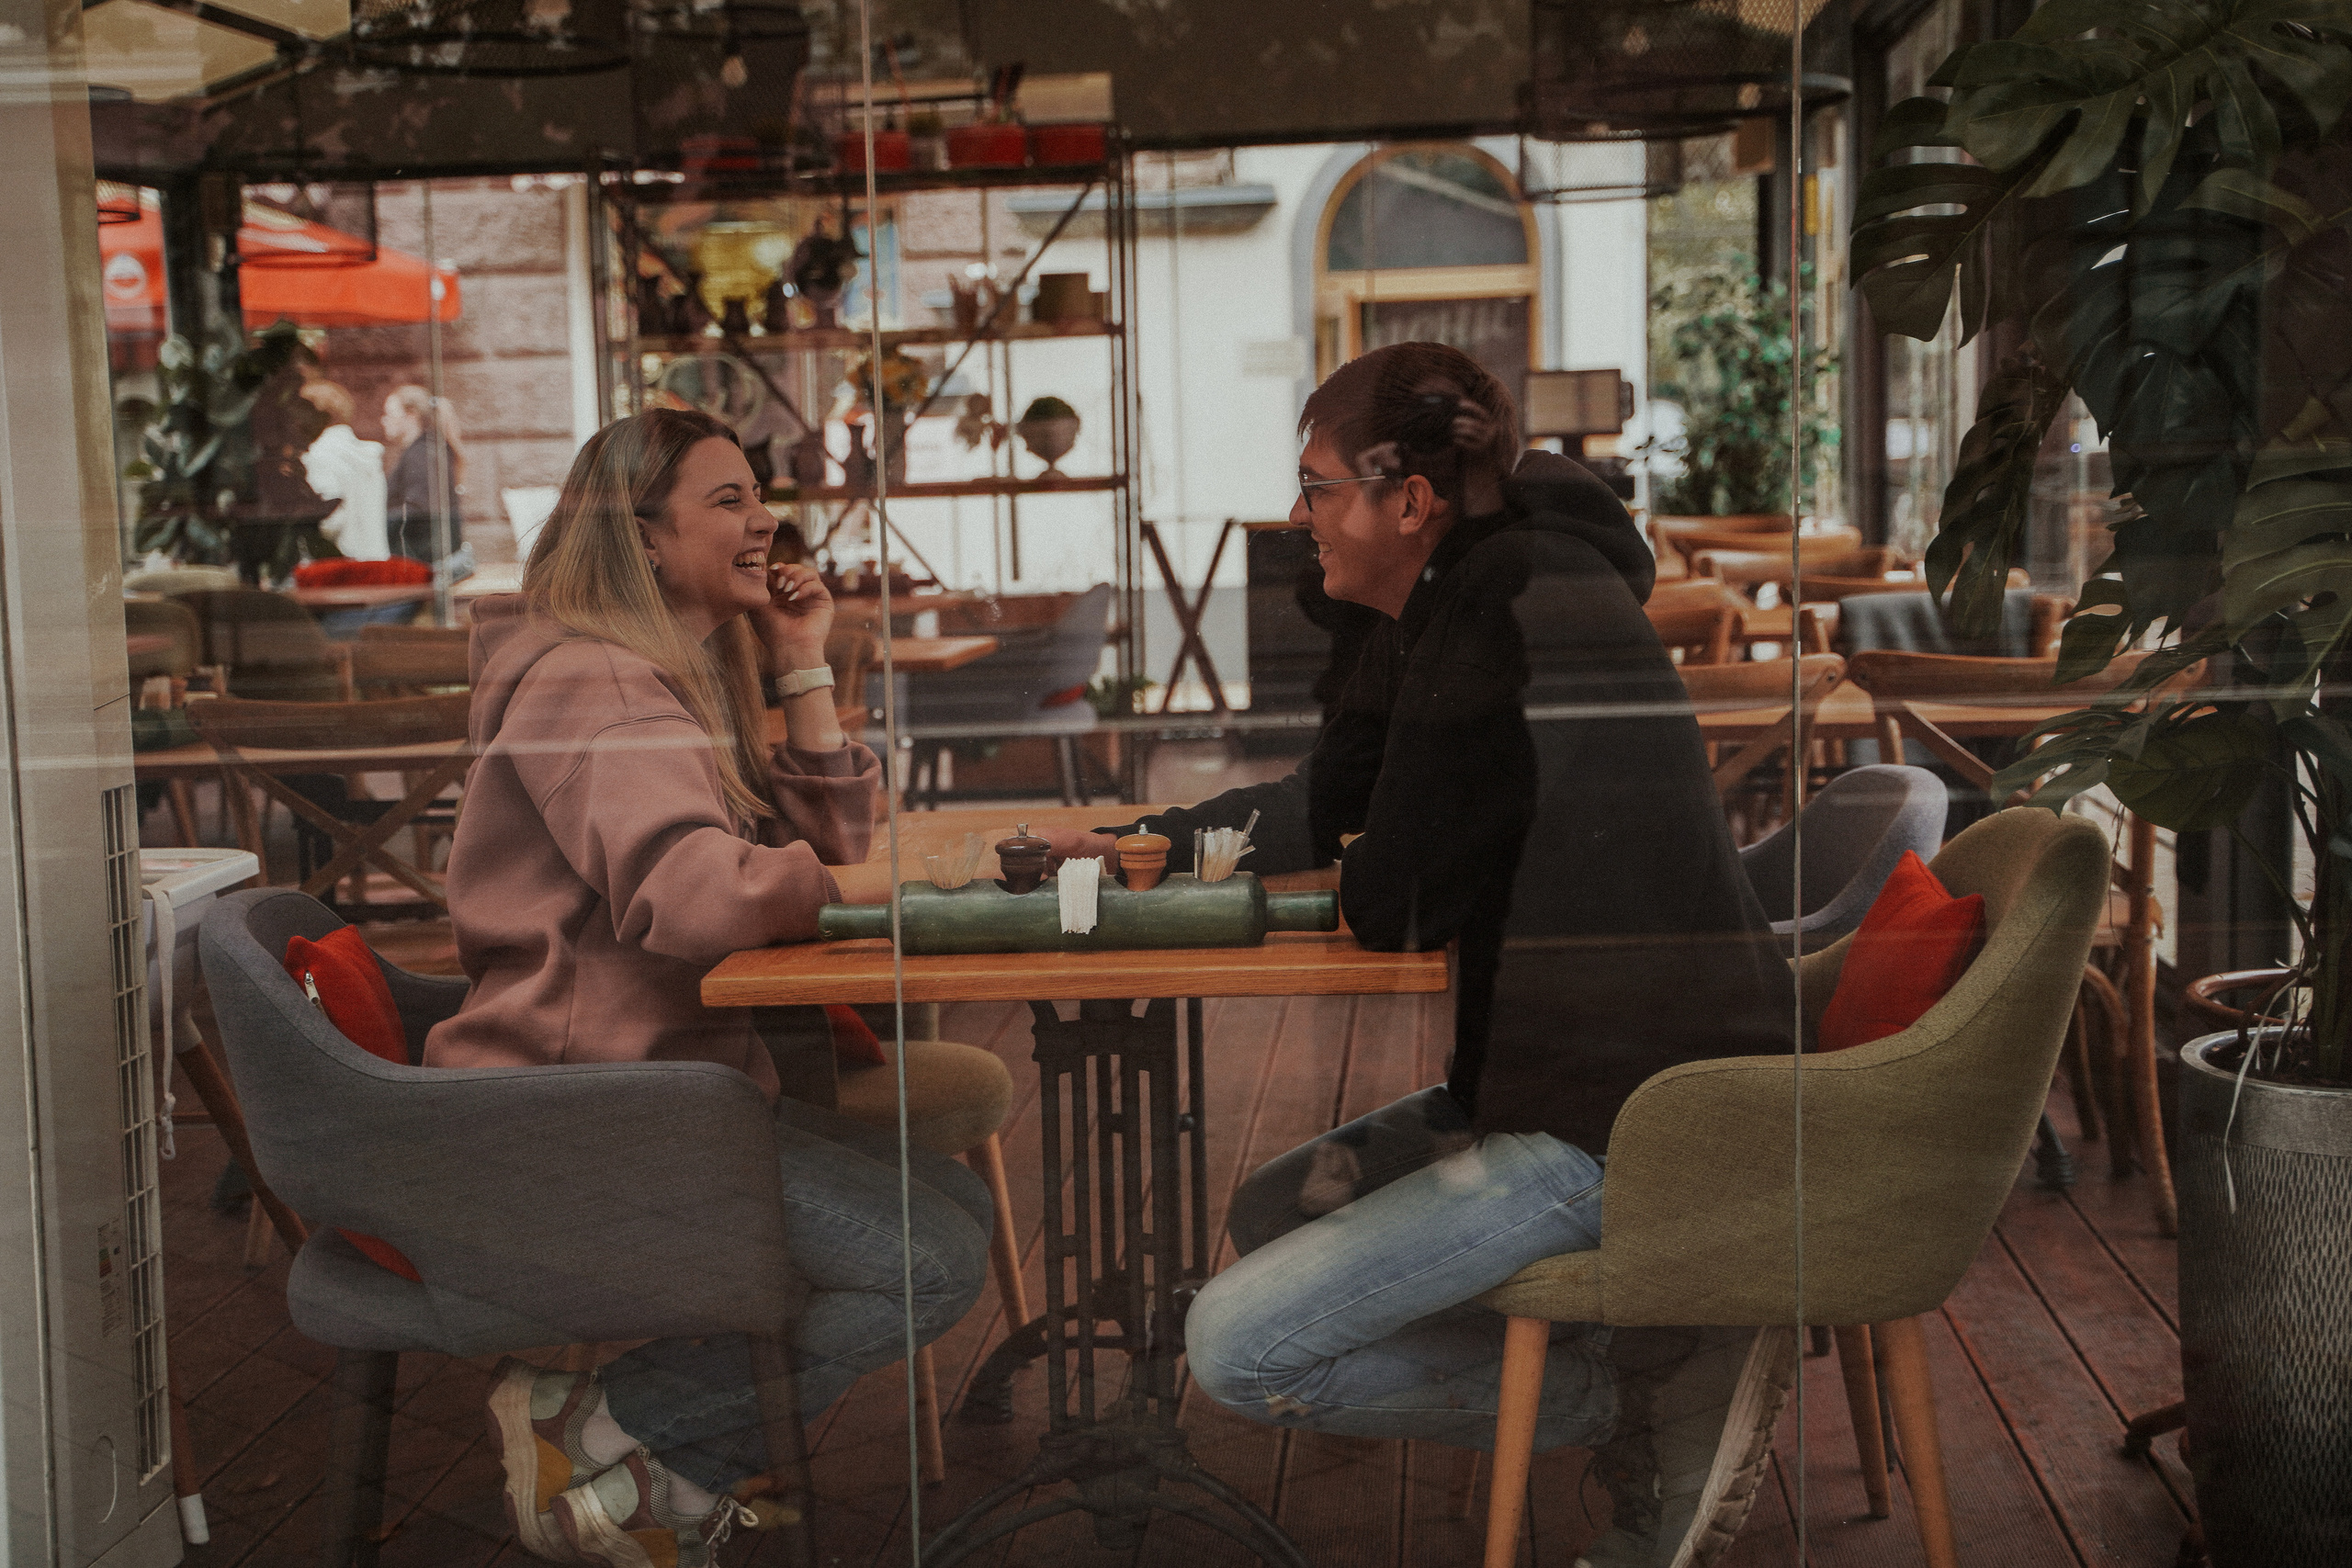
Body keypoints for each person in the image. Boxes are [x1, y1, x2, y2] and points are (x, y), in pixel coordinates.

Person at [1044, 343, 1798, 1566]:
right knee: (1278, 1209)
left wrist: (1382, 836)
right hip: (1548, 1081)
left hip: (1633, 1117)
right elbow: (1325, 803)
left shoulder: (1507, 605)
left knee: (1238, 1347)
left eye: (1317, 487)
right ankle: (1630, 1349)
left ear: (1410, 500)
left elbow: (1393, 901)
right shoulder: (1444, 602)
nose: (1297, 518)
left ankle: (1641, 1391)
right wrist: (1143, 839)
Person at [427, 408, 989, 1567]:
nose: (764, 519)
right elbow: (698, 896)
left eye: (758, 495)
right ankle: (610, 1429)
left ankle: (647, 1466)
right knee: (928, 1262)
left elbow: (815, 850)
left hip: (665, 1092)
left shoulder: (657, 672)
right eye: (728, 500)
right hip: (588, 1107)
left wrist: (799, 663)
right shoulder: (598, 682)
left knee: (955, 1215)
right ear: (641, 537)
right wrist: (860, 887)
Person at [381, 383, 469, 575]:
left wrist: (379, 520)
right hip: (424, 561)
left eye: (390, 414)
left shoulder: (421, 454)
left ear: (411, 415)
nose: (384, 420)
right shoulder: (424, 451)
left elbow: (419, 510)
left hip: (424, 564)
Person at [297, 380, 389, 561]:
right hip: (374, 559)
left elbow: (329, 519)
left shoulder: (319, 454)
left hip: (338, 564)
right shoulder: (367, 457)